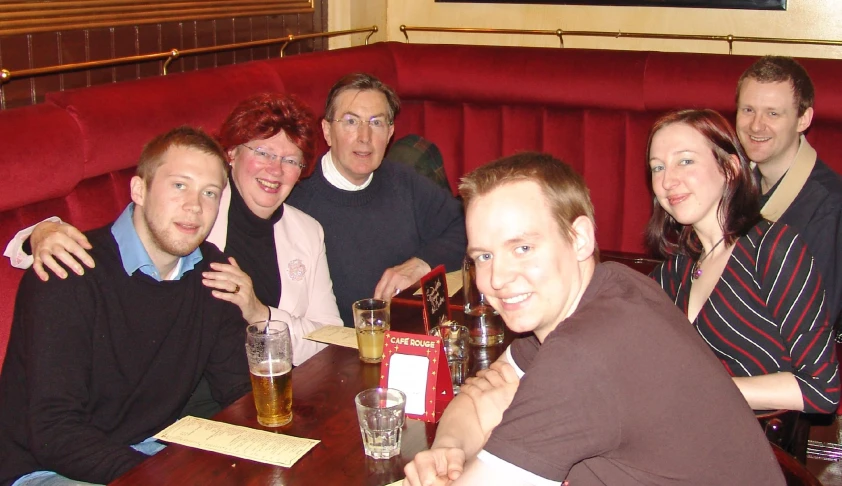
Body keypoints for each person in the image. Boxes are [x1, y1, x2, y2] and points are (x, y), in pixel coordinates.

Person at [404, 152, 785, 485]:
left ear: (580, 238)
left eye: (522, 248)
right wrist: (449, 450)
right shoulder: (610, 287)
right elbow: (486, 393)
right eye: (483, 256)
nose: (497, 279)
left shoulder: (584, 354)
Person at [4, 94, 343, 367]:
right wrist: (43, 232)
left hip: (255, 380)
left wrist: (259, 313)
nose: (275, 169)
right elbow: (122, 238)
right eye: (263, 152)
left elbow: (331, 340)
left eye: (291, 160)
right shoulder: (197, 207)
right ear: (232, 154)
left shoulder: (306, 231)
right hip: (187, 382)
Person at [0, 127, 252, 485]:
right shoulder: (68, 272)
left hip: (151, 450)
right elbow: (53, 432)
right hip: (47, 467)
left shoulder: (211, 273)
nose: (194, 206)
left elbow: (238, 389)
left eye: (209, 193)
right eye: (179, 185)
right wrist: (158, 476)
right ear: (139, 190)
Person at [646, 109, 839, 414]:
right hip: (686, 438)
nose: (668, 180)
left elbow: (821, 389)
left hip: (757, 448)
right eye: (657, 168)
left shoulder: (773, 249)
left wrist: (706, 387)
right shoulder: (672, 274)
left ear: (730, 168)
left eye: (685, 161)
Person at [286, 73, 466, 326]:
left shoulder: (403, 182)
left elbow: (466, 227)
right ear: (327, 131)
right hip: (334, 350)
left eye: (377, 123)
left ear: (390, 132)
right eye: (351, 121)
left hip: (409, 338)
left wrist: (421, 264)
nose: (365, 137)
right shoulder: (296, 198)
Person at [735, 56, 842, 335]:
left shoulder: (829, 205)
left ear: (802, 119)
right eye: (748, 110)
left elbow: (814, 326)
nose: (756, 126)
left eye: (773, 113)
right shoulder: (731, 184)